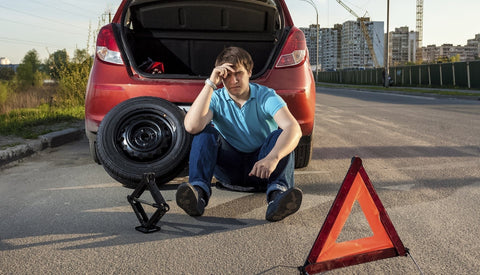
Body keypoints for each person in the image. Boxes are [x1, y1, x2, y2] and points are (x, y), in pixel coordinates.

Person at [176, 46, 303, 222]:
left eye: (239, 73)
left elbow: (294, 128)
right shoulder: (216, 97)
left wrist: (273, 157)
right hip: (229, 171)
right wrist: (211, 83)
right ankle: (198, 194)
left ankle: (277, 197)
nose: (234, 80)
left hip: (262, 169)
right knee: (205, 133)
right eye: (227, 75)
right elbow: (191, 127)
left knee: (282, 134)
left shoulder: (265, 96)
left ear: (250, 72)